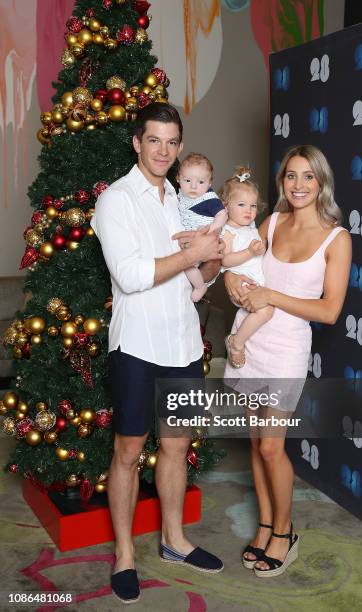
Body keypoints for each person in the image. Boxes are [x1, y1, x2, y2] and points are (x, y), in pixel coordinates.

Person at [91, 102, 224, 604]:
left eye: (172, 142)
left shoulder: (186, 199)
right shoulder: (116, 200)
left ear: (180, 146)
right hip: (138, 346)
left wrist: (208, 262)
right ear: (136, 143)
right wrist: (190, 254)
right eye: (154, 141)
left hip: (184, 343)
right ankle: (125, 553)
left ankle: (174, 540)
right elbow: (130, 276)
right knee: (128, 451)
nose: (164, 151)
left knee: (174, 446)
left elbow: (204, 275)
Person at [224, 145, 352, 578]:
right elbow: (240, 264)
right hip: (250, 342)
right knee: (256, 444)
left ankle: (284, 532)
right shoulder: (272, 222)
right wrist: (235, 283)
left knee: (272, 445)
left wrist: (271, 296)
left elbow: (330, 311)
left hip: (286, 349)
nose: (298, 185)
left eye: (308, 177)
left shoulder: (338, 238)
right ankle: (263, 525)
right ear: (282, 182)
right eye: (290, 176)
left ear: (322, 182)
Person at [220, 166, 274, 368]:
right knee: (266, 311)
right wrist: (250, 252)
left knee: (265, 312)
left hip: (254, 280)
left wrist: (259, 249)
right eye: (241, 204)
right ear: (226, 206)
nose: (249, 211)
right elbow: (225, 261)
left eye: (252, 206)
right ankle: (236, 342)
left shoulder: (250, 228)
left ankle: (239, 340)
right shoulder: (227, 231)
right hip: (242, 280)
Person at [177, 153, 228, 302]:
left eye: (201, 182)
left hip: (204, 238)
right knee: (183, 263)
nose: (193, 186)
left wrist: (211, 230)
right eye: (187, 180)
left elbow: (222, 215)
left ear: (210, 182)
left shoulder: (209, 199)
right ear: (178, 178)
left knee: (186, 263)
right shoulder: (179, 195)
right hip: (187, 239)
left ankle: (200, 286)